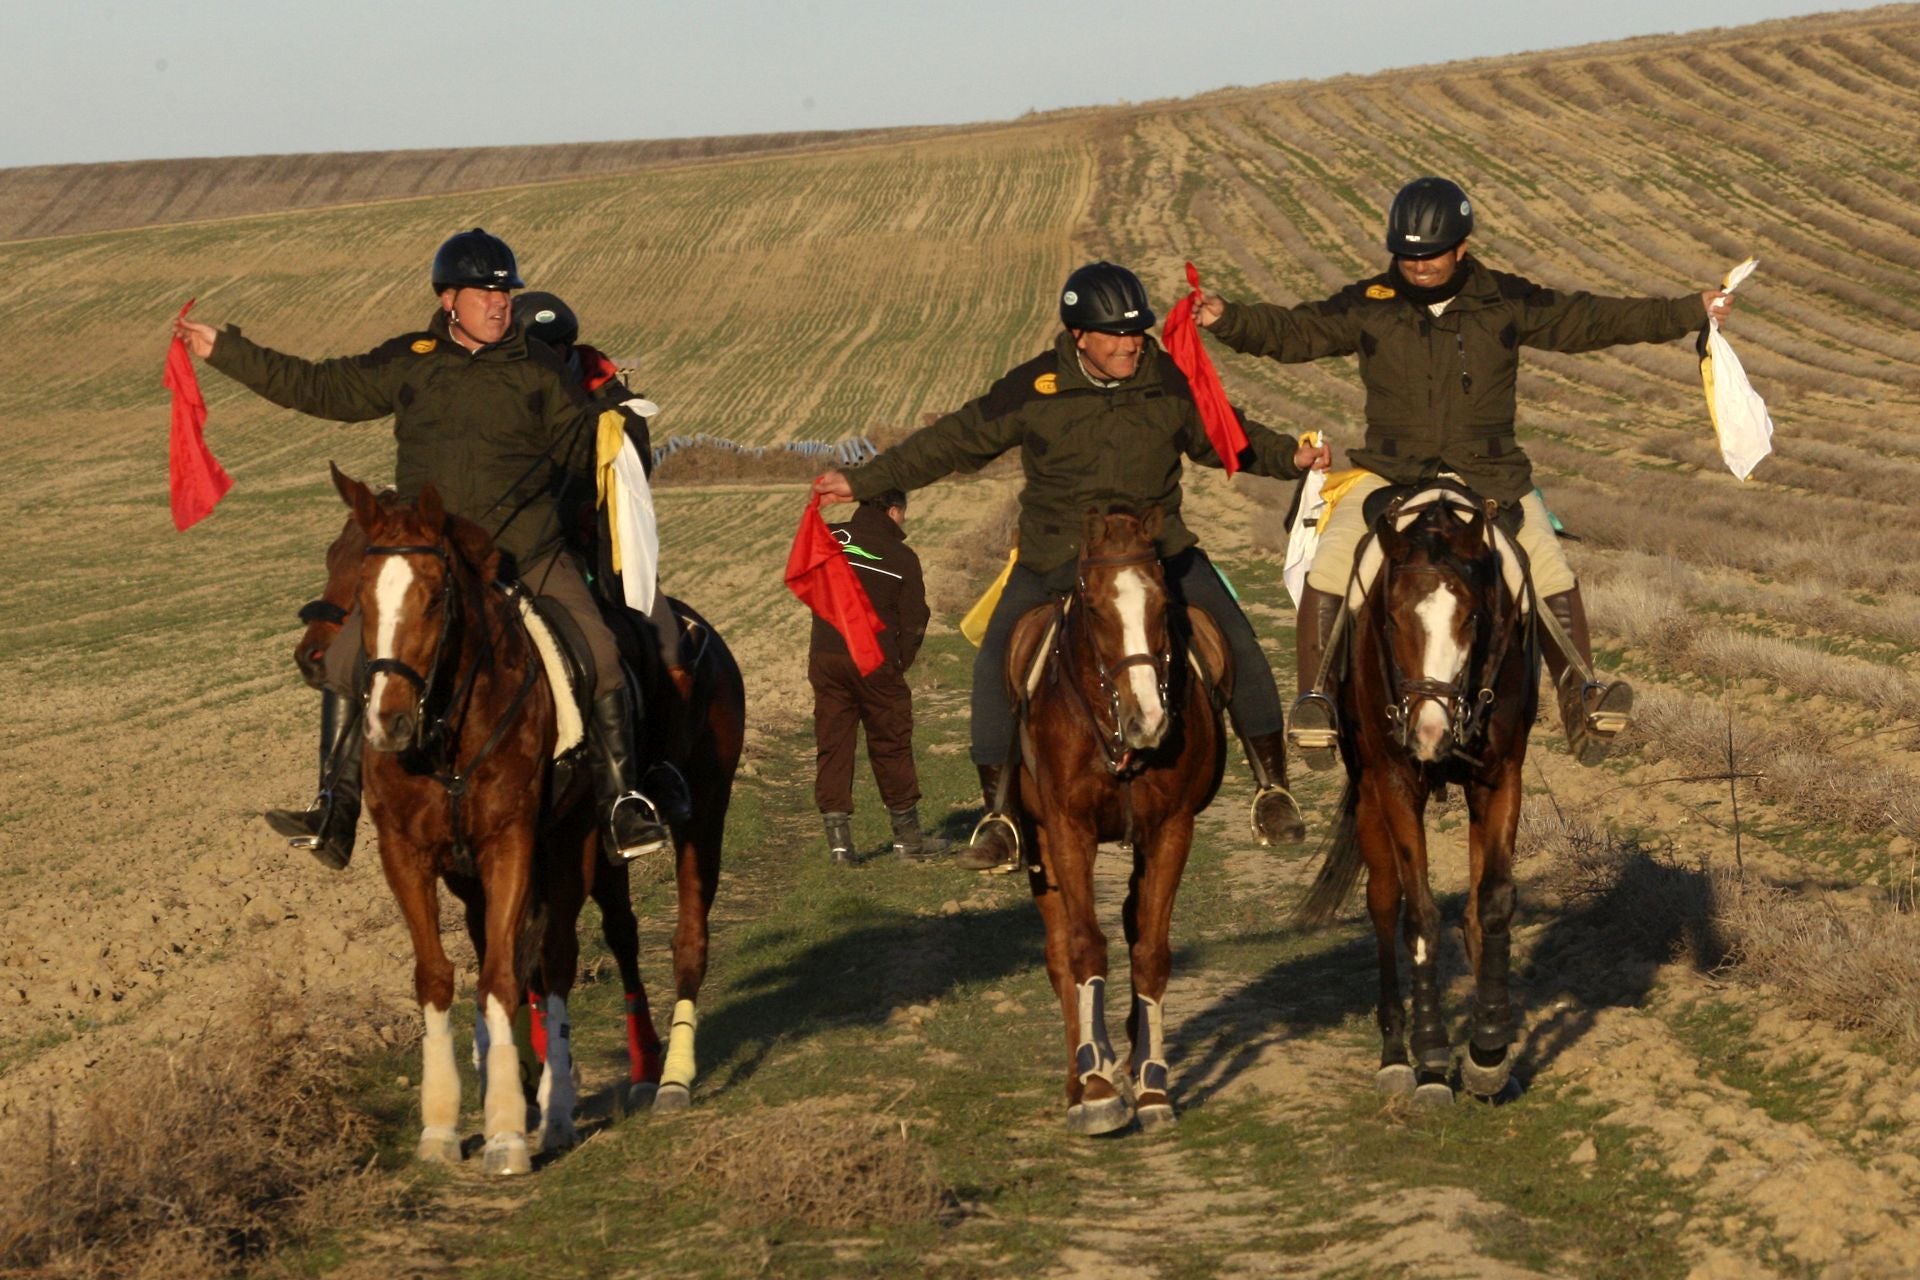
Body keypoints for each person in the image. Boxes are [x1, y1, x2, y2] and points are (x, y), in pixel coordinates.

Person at [175, 227, 673, 869]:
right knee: (346, 656)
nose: (500, 304)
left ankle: (621, 802)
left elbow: (585, 450)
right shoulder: (409, 359)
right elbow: (319, 388)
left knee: (601, 652)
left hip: (527, 552)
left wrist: (618, 426)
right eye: (486, 294)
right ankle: (335, 806)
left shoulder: (539, 368)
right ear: (449, 299)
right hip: (429, 559)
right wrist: (225, 350)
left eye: (505, 293)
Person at [1196, 176, 1736, 767]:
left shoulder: (1505, 300)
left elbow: (1591, 320)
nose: (1418, 265)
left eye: (1430, 254)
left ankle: (1582, 697)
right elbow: (1296, 332)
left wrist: (1689, 309)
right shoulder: (1369, 304)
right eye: (1407, 254)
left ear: (1461, 247)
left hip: (1491, 475)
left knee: (1549, 566)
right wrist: (1229, 320)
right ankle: (1317, 702)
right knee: (1331, 565)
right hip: (1391, 473)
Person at [813, 261, 1331, 873]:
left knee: (1237, 639)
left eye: (1137, 333)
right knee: (991, 664)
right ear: (1079, 335)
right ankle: (1000, 814)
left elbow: (1225, 433)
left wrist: (1289, 456)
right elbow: (951, 441)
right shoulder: (1034, 388)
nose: (1129, 345)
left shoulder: (1166, 378)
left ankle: (1272, 787)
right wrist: (865, 480)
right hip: (1056, 559)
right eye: (1114, 335)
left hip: (1157, 557)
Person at [512, 289, 693, 826]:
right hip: (512, 547)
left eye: (554, 349)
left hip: (595, 550)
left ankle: (654, 773)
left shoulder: (615, 405)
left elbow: (622, 475)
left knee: (664, 640)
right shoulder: (501, 392)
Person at [806, 488, 948, 864]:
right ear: (893, 510)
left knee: (833, 743)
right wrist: (899, 661)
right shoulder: (901, 556)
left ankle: (839, 846)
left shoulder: (829, 536)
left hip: (825, 655)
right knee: (891, 742)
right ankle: (908, 841)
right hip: (873, 658)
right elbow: (915, 618)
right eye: (903, 514)